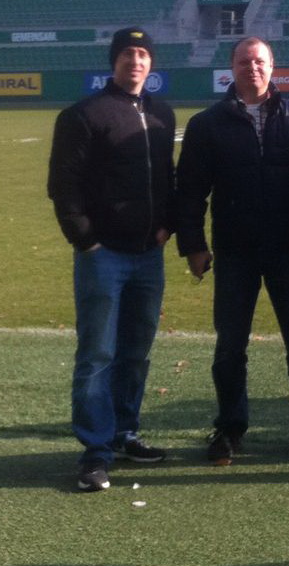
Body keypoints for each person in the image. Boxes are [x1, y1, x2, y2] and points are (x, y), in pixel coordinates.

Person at [176, 37, 289, 464]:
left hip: (288, 249)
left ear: (272, 66)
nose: (253, 68)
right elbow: (190, 191)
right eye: (244, 61)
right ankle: (230, 427)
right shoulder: (206, 125)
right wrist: (193, 245)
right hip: (234, 252)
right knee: (230, 347)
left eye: (260, 61)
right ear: (231, 68)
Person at [47, 26, 176, 491]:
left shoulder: (161, 114)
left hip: (148, 256)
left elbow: (166, 177)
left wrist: (167, 224)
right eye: (127, 53)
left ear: (151, 62)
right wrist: (86, 240)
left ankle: (125, 433)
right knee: (98, 354)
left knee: (135, 352)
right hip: (104, 256)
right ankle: (95, 451)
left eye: (142, 53)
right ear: (114, 60)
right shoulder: (83, 115)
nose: (135, 60)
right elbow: (63, 185)